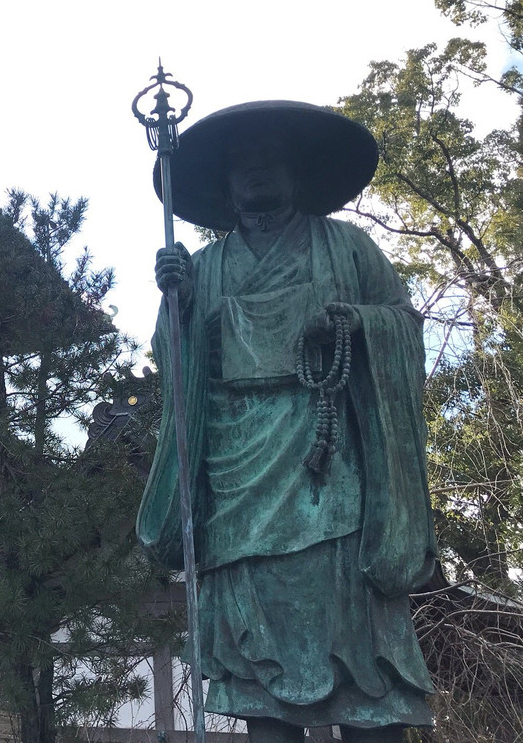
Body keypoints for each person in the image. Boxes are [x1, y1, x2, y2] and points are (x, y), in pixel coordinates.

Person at [137, 101, 438, 743]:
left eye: (270, 160)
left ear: (296, 174)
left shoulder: (347, 247)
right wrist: (178, 308)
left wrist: (356, 324)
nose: (256, 172)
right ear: (226, 184)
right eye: (242, 164)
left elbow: (403, 325)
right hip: (238, 480)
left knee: (366, 672)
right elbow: (178, 368)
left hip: (332, 466)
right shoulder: (206, 267)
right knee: (263, 689)